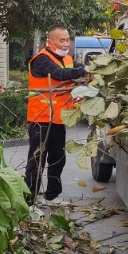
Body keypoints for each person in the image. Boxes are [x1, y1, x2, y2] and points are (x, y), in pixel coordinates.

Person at [25, 25, 86, 206]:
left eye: (68, 39)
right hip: (41, 120)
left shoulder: (67, 59)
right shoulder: (42, 59)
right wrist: (84, 70)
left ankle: (52, 196)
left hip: (59, 119)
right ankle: (29, 200)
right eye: (62, 40)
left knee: (57, 160)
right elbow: (60, 75)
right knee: (37, 162)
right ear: (50, 41)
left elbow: (75, 69)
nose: (66, 43)